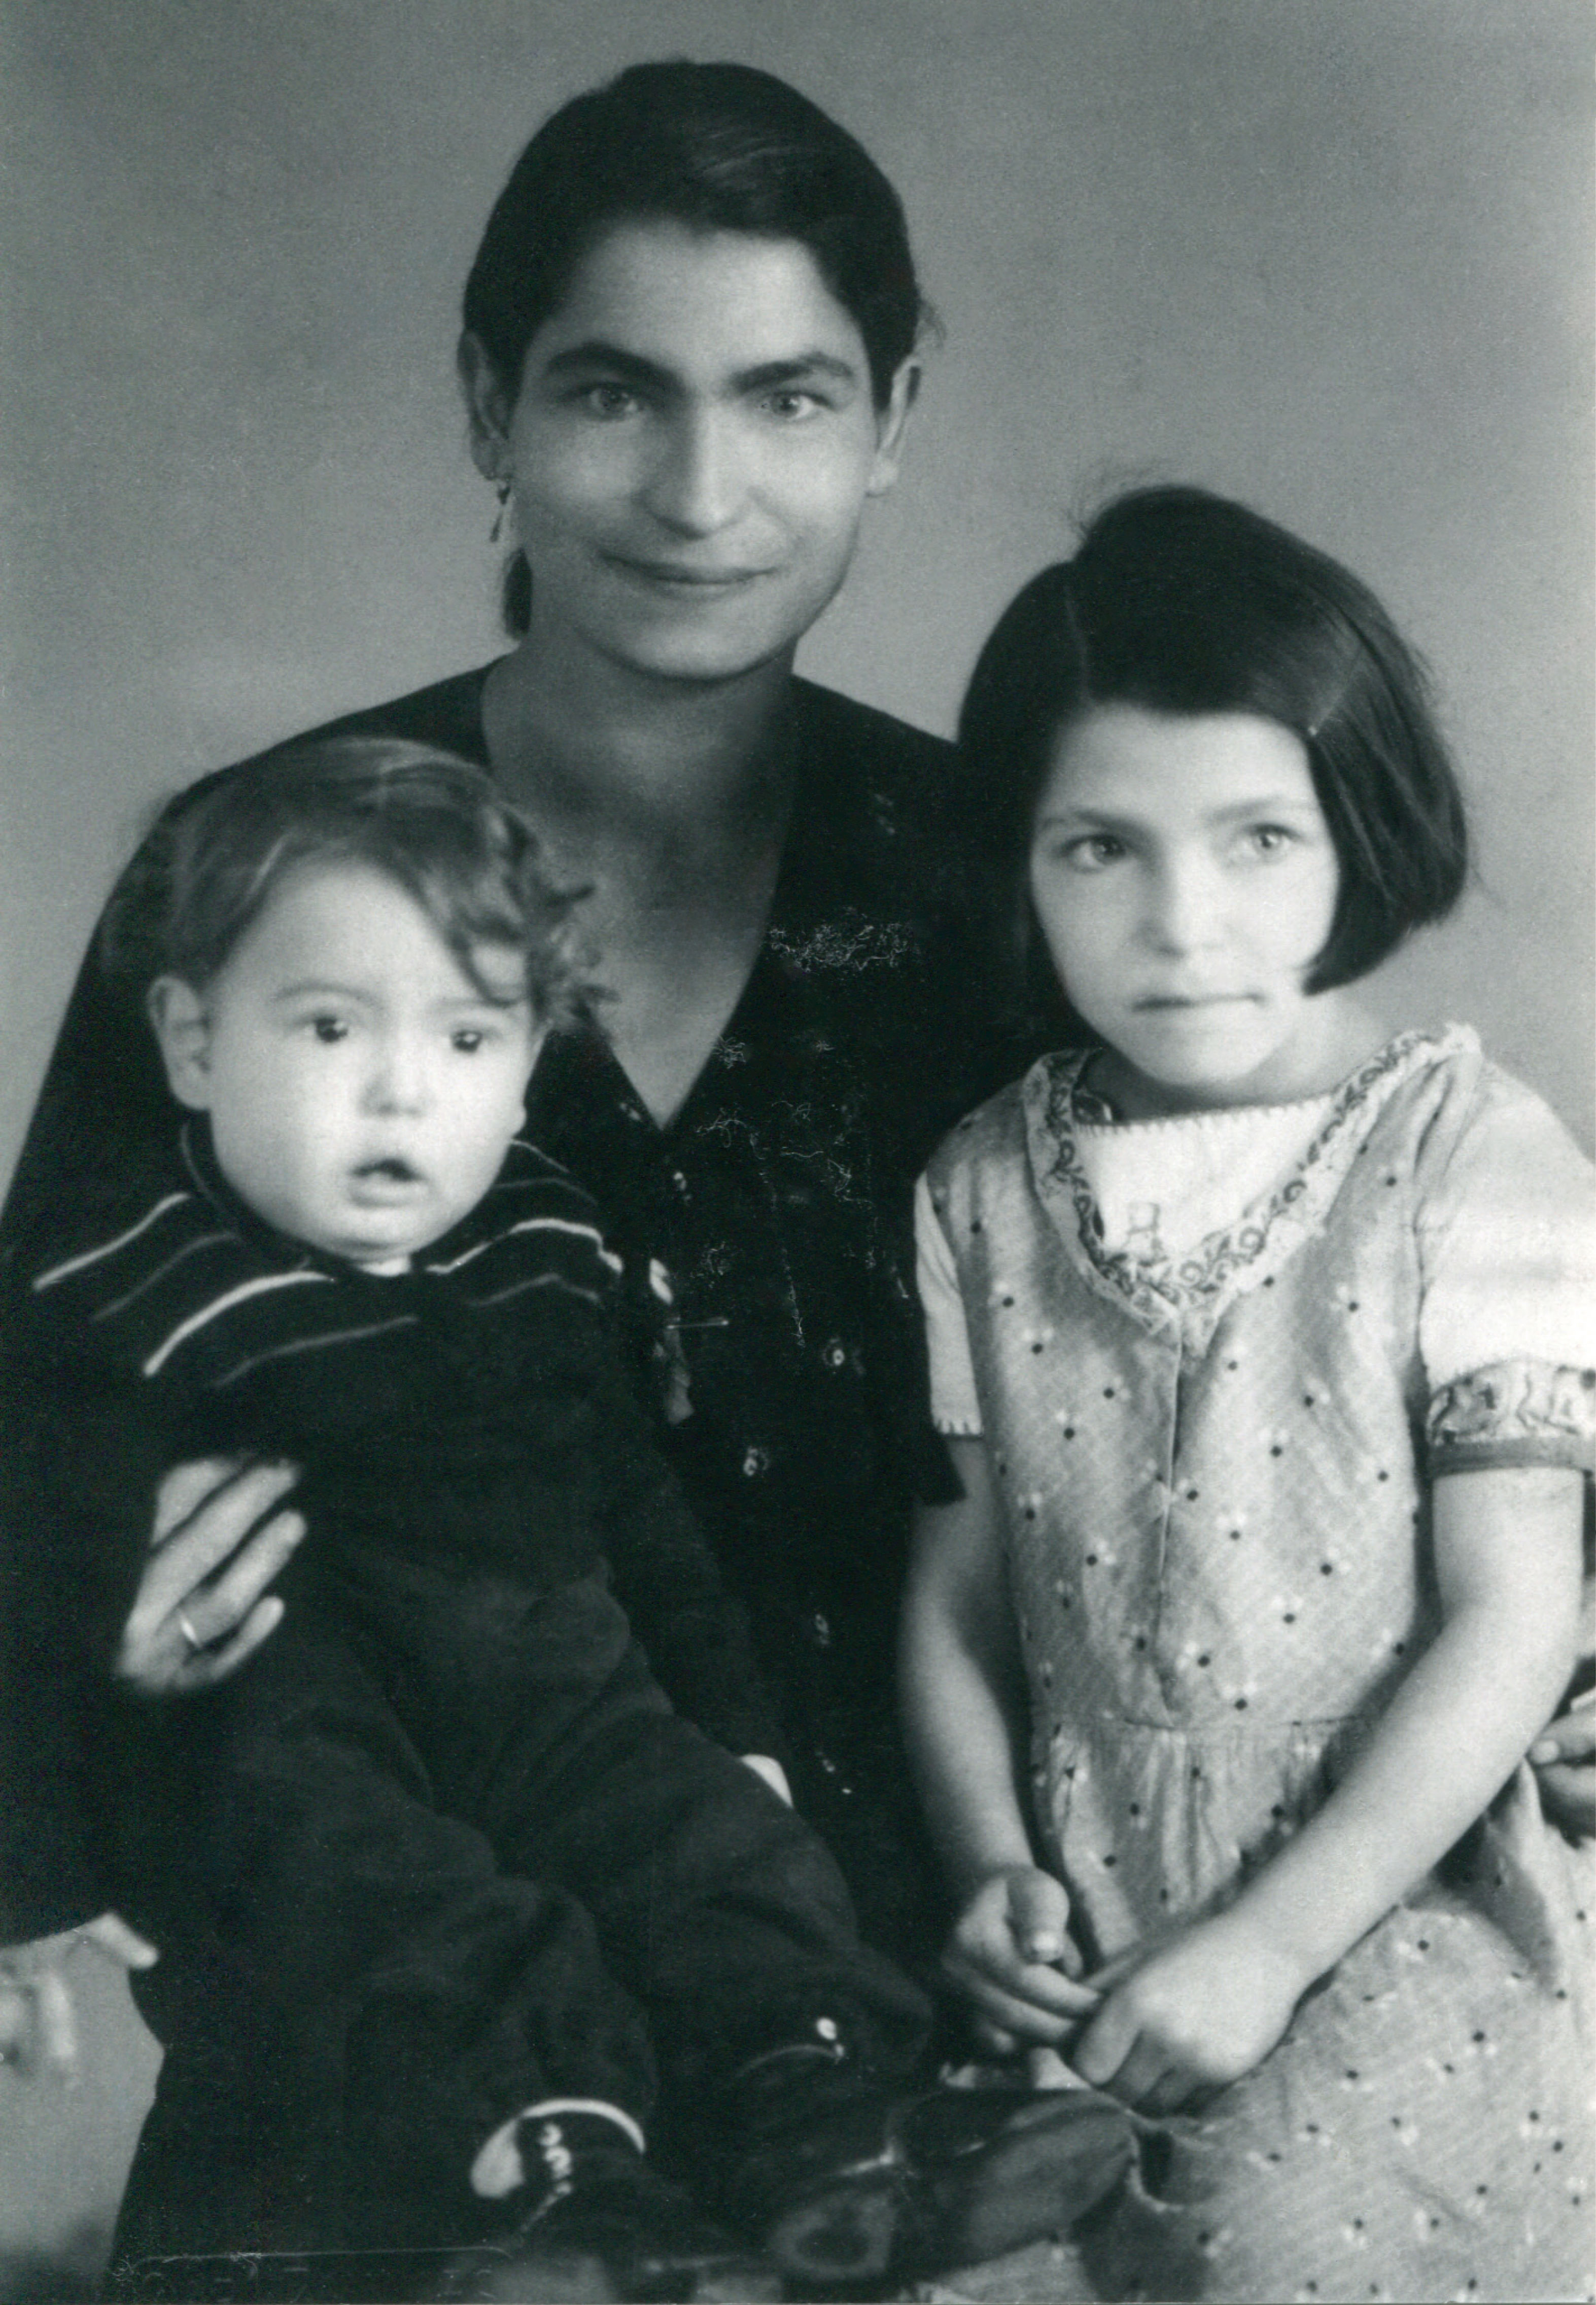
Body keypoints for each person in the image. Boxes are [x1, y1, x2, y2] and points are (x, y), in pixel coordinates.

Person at [0, 60, 1012, 1999]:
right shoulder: (253, 872)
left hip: (940, 1979)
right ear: (491, 404)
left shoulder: (1000, 880)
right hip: (388, 1998)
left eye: (785, 397)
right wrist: (87, 1649)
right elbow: (33, 1421)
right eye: (616, 392)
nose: (700, 497)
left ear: (891, 416)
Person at [10, 738, 1131, 2298]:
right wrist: (32, 1888)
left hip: (558, 1687)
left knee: (729, 1858)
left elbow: (633, 1503)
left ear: (531, 1058)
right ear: (193, 1043)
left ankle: (825, 2127)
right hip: (307, 1721)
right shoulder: (124, 1286)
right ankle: (569, 2200)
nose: (402, 1086)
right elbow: (27, 1594)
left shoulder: (543, 1240)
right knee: (404, 1914)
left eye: (468, 1037)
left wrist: (732, 1727)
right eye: (330, 1026)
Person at [901, 485, 1595, 2301]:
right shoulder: (977, 1182)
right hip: (1088, 1901)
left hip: (1383, 1910)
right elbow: (955, 1599)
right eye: (1097, 850)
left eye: (1256, 839)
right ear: (1021, 863)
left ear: (1357, 835)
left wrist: (1270, 1947)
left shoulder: (1472, 1147)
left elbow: (1514, 1623)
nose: (1182, 921)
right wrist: (988, 1869)